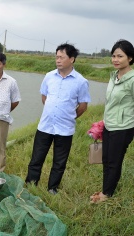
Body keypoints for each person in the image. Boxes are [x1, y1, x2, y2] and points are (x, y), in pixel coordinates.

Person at [25, 43, 91, 194]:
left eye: (62, 57)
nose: (58, 60)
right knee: (36, 158)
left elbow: (83, 105)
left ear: (72, 59)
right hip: (45, 125)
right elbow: (44, 97)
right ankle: (30, 185)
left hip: (65, 129)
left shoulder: (81, 81)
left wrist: (69, 116)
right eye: (56, 57)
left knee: (59, 162)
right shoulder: (49, 76)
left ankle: (52, 188)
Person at [90, 39, 134, 203]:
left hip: (123, 127)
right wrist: (104, 121)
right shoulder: (114, 76)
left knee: (114, 161)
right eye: (113, 56)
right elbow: (111, 103)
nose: (115, 59)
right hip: (109, 125)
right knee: (106, 159)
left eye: (120, 56)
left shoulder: (132, 79)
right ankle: (106, 189)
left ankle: (107, 194)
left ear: (129, 58)